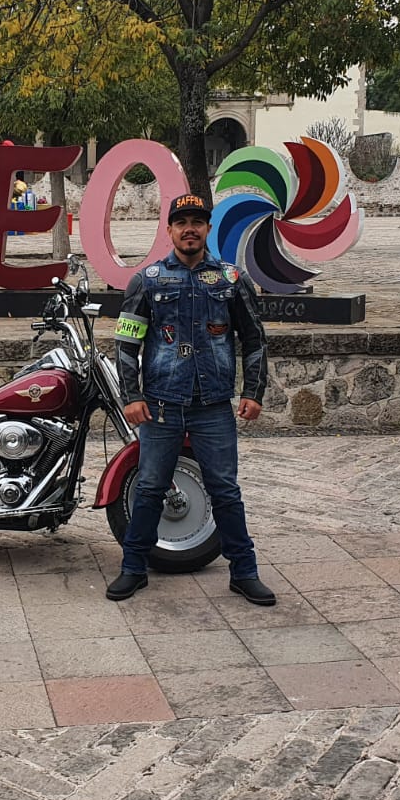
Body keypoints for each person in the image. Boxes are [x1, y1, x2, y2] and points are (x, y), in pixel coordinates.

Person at [109, 193, 273, 604]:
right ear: (169, 230)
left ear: (207, 229)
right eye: (181, 222)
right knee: (148, 488)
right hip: (161, 405)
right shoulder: (146, 280)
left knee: (225, 491)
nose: (189, 229)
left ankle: (244, 571)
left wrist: (253, 392)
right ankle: (133, 568)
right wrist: (131, 395)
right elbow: (126, 344)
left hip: (213, 407)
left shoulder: (232, 280)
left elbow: (254, 341)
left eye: (197, 221)